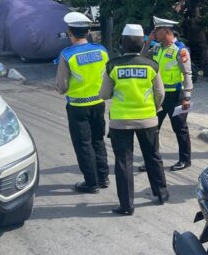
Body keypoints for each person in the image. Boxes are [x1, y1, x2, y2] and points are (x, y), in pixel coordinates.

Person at [100, 24, 168, 214]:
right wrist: (153, 109)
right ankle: (161, 194)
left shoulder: (113, 66)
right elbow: (160, 93)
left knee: (123, 162)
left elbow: (104, 94)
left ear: (123, 43)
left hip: (121, 121)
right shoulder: (151, 65)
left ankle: (126, 205)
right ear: (142, 44)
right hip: (147, 119)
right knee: (153, 156)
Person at [56, 11, 110, 193]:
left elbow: (62, 87)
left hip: (78, 107)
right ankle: (103, 177)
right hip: (98, 103)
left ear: (70, 33)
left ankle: (91, 182)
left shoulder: (67, 55)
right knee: (98, 140)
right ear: (88, 32)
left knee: (83, 145)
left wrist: (61, 88)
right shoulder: (101, 50)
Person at [143, 16, 194, 171]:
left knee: (180, 129)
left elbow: (187, 74)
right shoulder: (156, 48)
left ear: (166, 31)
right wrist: (148, 42)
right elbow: (142, 58)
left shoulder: (180, 50)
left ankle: (185, 160)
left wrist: (187, 96)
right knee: (152, 128)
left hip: (176, 95)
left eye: (156, 31)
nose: (154, 34)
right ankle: (152, 160)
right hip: (159, 95)